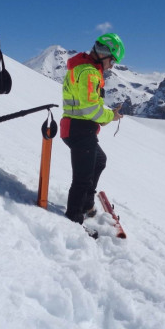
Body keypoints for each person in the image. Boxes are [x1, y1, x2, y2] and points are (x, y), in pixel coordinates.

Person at [60, 33, 125, 226]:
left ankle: (87, 203)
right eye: (112, 60)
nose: (112, 65)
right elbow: (89, 108)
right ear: (104, 54)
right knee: (82, 179)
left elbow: (87, 105)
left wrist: (104, 117)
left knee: (99, 161)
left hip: (78, 127)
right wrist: (110, 116)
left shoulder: (85, 68)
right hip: (79, 130)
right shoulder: (89, 72)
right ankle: (74, 217)